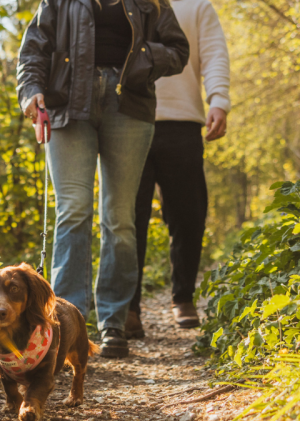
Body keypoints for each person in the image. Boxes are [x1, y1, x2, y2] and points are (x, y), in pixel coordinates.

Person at [17, 0, 189, 358]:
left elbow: (178, 50)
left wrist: (143, 57)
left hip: (129, 108)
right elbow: (35, 44)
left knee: (119, 218)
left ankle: (113, 321)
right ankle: (67, 321)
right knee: (73, 211)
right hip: (67, 106)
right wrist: (31, 90)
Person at [126, 0, 230, 336]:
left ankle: (183, 297)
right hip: (125, 122)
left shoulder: (197, 6)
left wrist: (218, 99)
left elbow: (214, 54)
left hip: (183, 122)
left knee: (189, 214)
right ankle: (128, 308)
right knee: (127, 217)